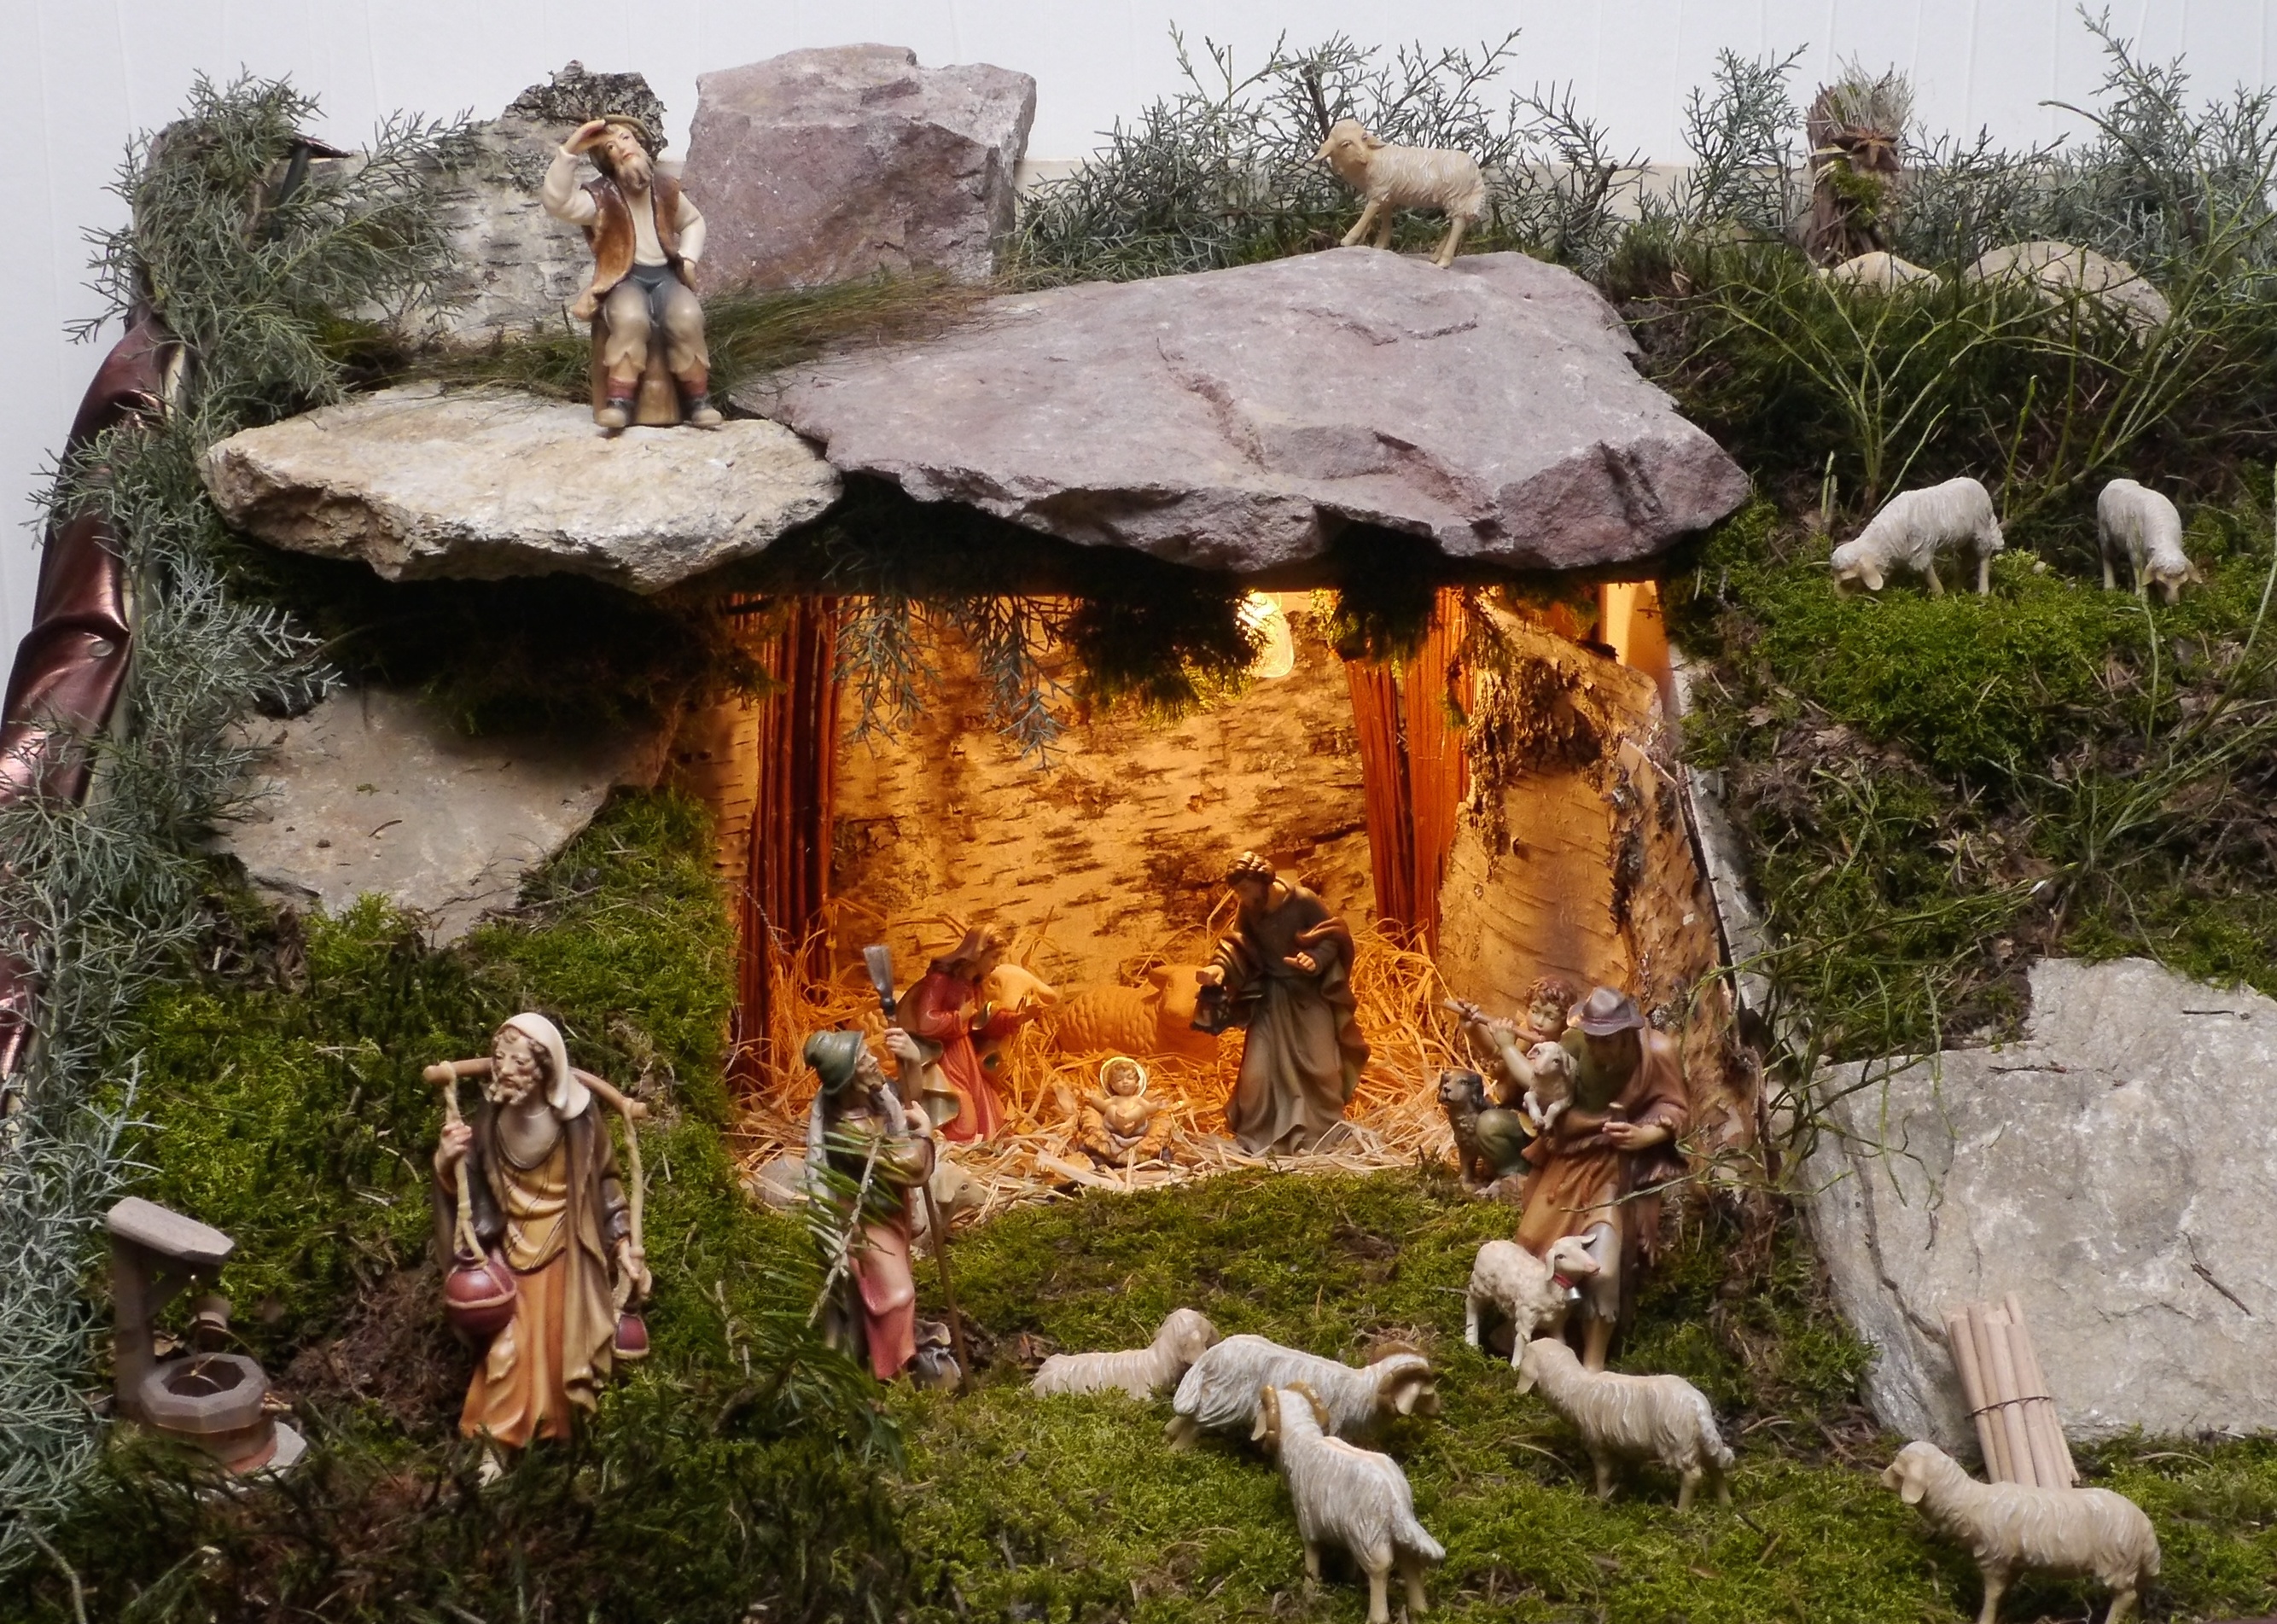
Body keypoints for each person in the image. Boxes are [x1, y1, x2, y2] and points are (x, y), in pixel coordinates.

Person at [434, 1014, 647, 1453]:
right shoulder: (489, 1118)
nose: (505, 1070)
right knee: (504, 1354)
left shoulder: (579, 1121)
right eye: (499, 1058)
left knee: (561, 1351)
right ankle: (495, 1446)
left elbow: (606, 1186)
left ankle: (558, 1439)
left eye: (519, 1061)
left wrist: (623, 1245)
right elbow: (468, 1192)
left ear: (545, 1067)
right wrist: (444, 1162)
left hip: (568, 1254)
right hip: (508, 1253)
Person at [1511, 987, 1689, 1371]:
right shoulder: (1574, 1044)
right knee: (1532, 1244)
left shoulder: (1656, 1053)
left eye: (1606, 1041)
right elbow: (1545, 1087)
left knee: (1602, 1267)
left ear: (1626, 1033)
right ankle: (1535, 1337)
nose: (1597, 1049)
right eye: (1592, 1038)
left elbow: (1675, 1108)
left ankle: (1593, 1365)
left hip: (1616, 1171)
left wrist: (1645, 1135)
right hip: (1569, 1161)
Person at [540, 114, 718, 430]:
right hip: (624, 280)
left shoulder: (665, 189)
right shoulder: (600, 197)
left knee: (688, 316)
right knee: (630, 319)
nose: (622, 148)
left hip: (665, 277)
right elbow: (559, 203)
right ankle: (619, 403)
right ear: (606, 161)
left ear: (639, 143)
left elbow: (693, 222)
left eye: (625, 138)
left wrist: (688, 258)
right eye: (610, 147)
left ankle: (698, 401)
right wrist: (570, 150)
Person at [1197, 851, 1371, 1155]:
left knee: (1323, 1069)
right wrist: (1219, 969)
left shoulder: (1303, 900)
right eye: (1238, 891)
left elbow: (1333, 935)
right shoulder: (1250, 907)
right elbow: (1239, 945)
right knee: (1255, 1077)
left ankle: (1323, 1134)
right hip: (1271, 999)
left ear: (1263, 881)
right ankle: (1259, 1137)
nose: (1241, 897)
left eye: (1244, 889)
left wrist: (1314, 959)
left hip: (1308, 995)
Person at [802, 1027, 935, 1381]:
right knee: (896, 1295)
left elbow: (909, 1100)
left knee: (894, 1290)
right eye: (865, 1059)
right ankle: (890, 1373)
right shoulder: (845, 1129)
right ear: (849, 1079)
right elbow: (905, 1162)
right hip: (866, 1221)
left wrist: (912, 1061)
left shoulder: (876, 1099)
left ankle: (887, 1359)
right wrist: (924, 1135)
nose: (876, 1060)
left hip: (890, 1214)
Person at [898, 927, 1016, 1144]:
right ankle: (952, 1148)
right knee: (963, 1122)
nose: (997, 963)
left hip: (965, 1054)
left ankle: (981, 1147)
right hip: (943, 1057)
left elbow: (979, 1022)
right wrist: (958, 1017)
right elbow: (926, 1022)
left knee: (992, 1116)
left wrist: (1012, 1020)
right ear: (978, 953)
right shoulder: (940, 980)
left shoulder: (974, 984)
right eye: (994, 957)